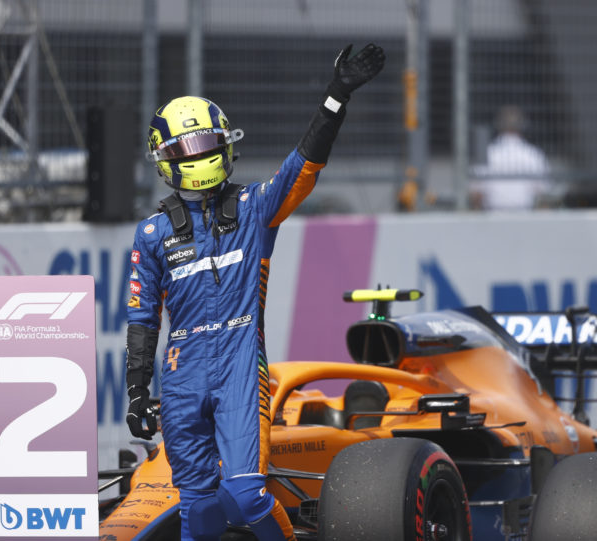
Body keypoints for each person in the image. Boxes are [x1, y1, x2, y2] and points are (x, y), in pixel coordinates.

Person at [124, 43, 385, 541]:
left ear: (225, 145)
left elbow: (303, 167)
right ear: (164, 160)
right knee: (197, 507)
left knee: (244, 495)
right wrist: (138, 391)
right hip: (181, 376)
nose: (199, 157)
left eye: (206, 145)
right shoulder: (151, 234)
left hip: (242, 364)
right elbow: (141, 320)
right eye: (186, 150)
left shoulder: (254, 209)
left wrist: (336, 96)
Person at [471, 105, 552, 210]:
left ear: (499, 125)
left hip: (492, 216)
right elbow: (543, 194)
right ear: (523, 126)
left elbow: (476, 194)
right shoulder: (533, 154)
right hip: (525, 216)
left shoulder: (488, 153)